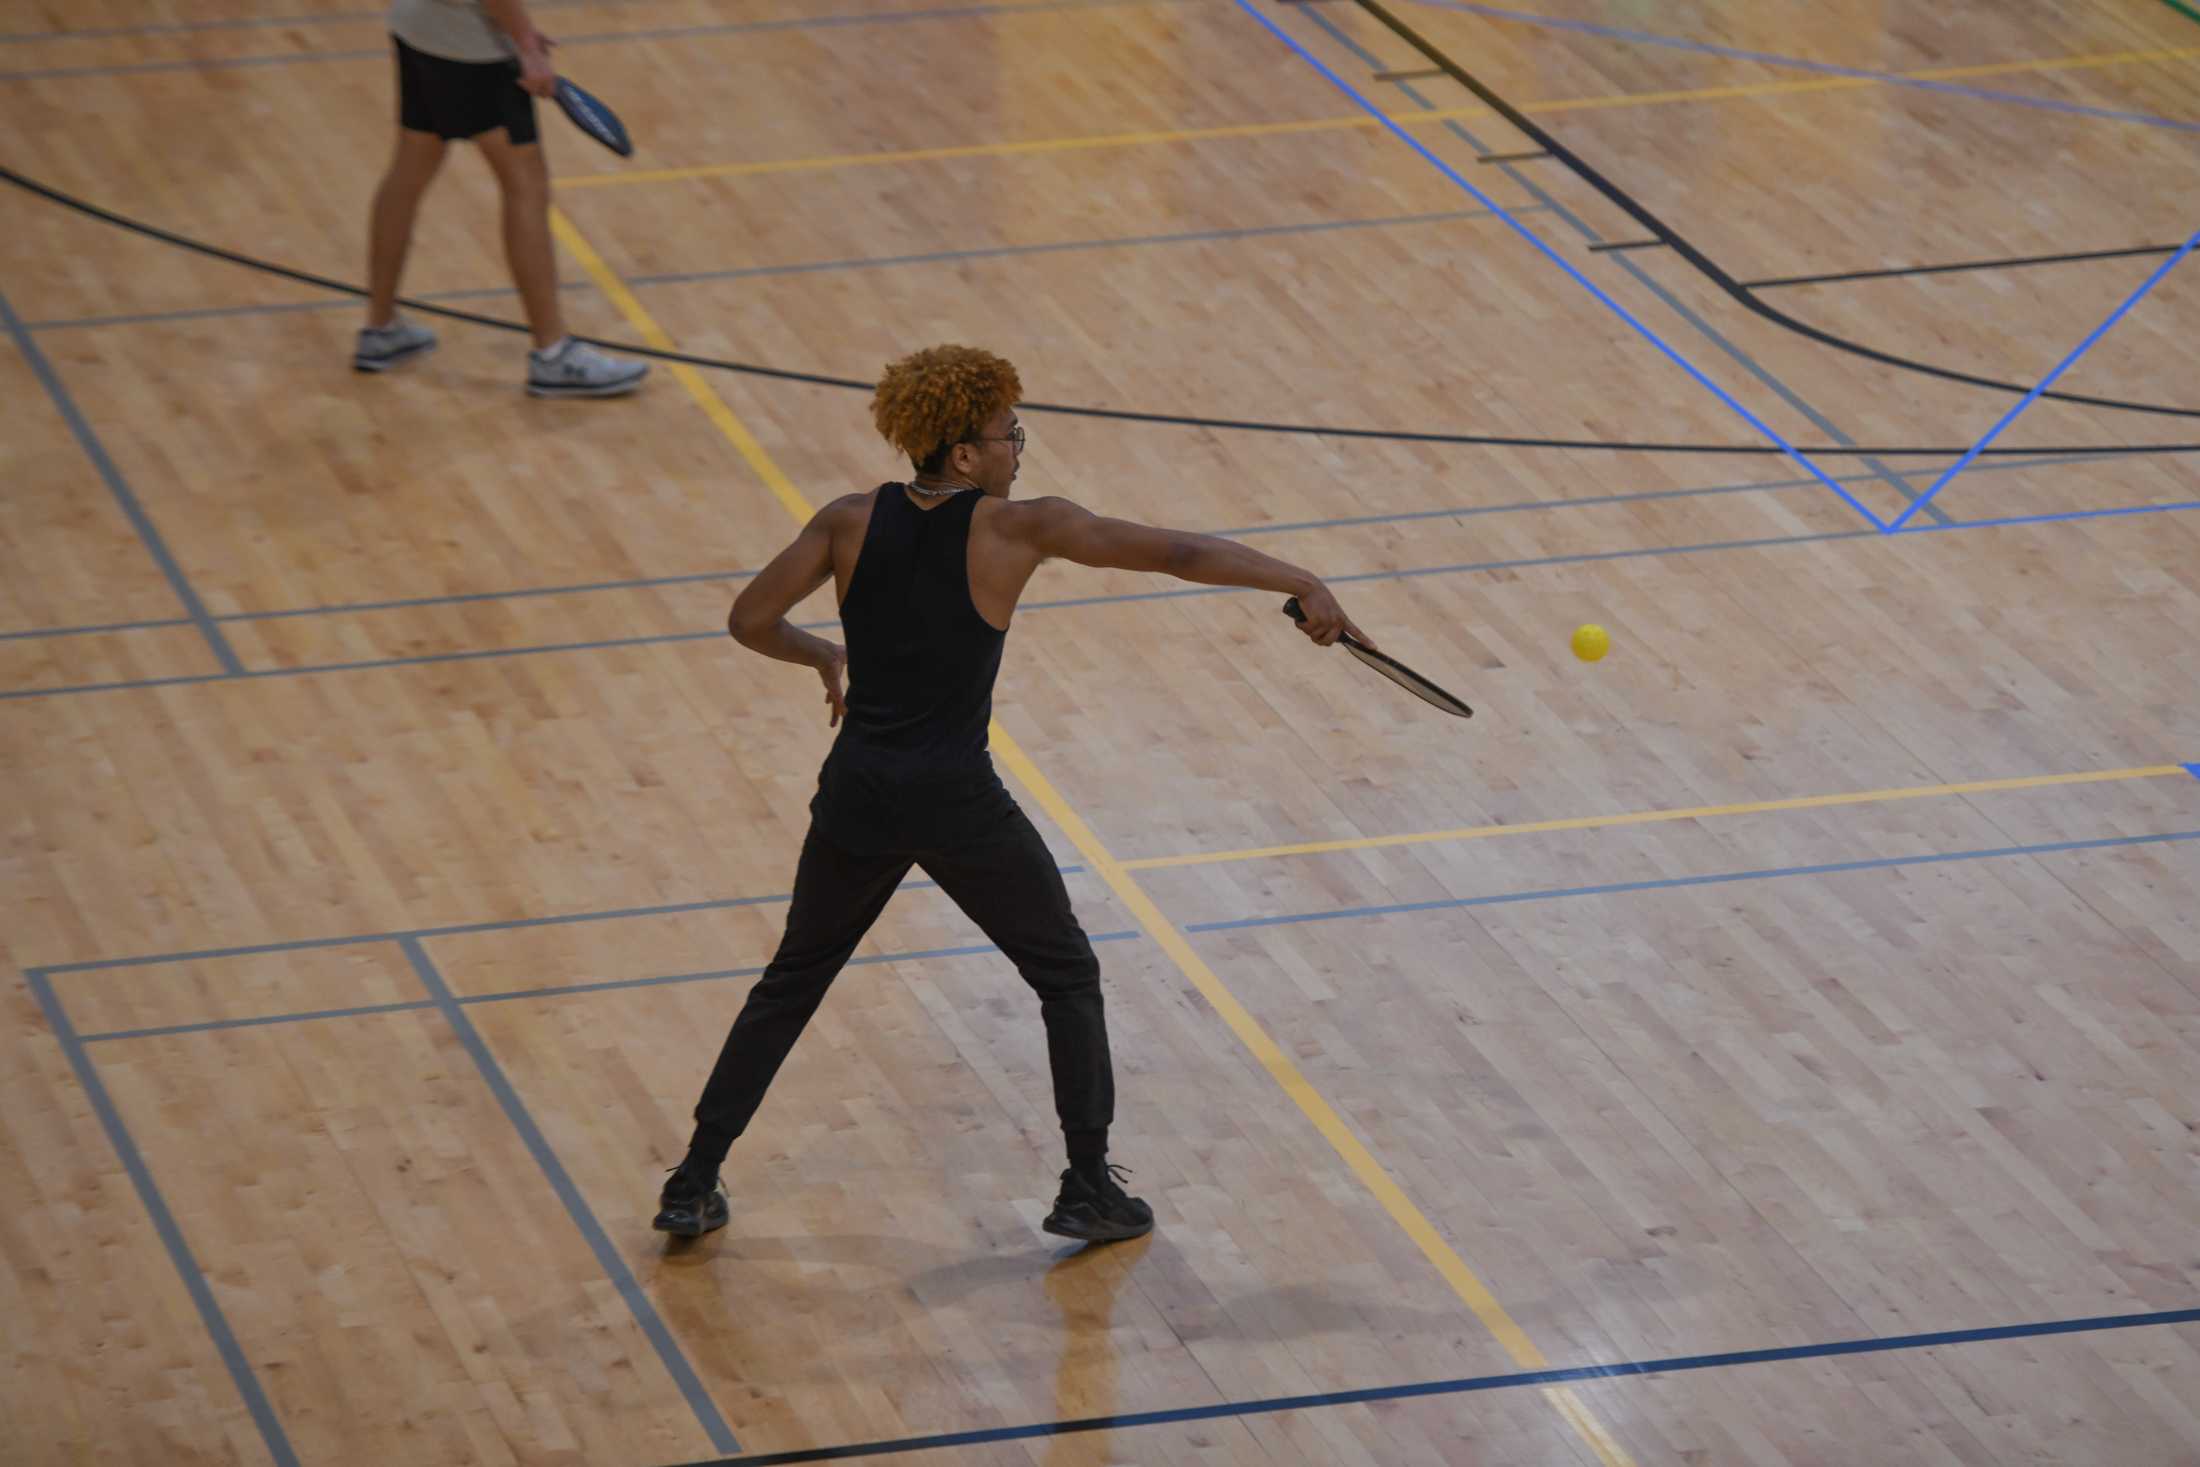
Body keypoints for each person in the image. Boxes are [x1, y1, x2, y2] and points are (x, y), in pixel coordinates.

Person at [654, 344, 1369, 1243]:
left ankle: (692, 1180)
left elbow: (749, 620)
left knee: (792, 980)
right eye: (1007, 434)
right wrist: (1300, 580)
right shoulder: (1017, 530)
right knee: (1066, 972)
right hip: (956, 799)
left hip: (858, 790)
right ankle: (1085, 1186)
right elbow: (1178, 552)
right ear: (963, 454)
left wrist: (825, 652)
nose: (1018, 449)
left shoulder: (846, 520)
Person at [356, 0, 649, 397]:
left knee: (411, 166)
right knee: (525, 184)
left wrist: (518, 28)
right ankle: (553, 355)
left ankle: (381, 328)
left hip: (418, 24)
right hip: (471, 47)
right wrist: (525, 44)